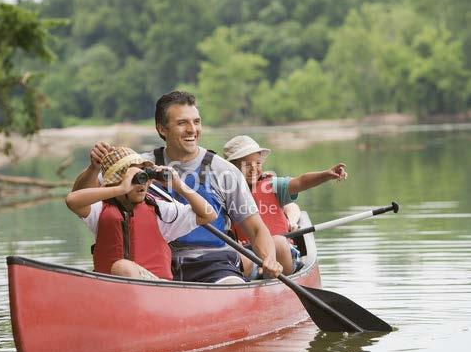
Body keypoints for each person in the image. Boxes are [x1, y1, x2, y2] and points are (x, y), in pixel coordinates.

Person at [71, 91, 282, 284]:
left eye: (196, 122)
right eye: (182, 123)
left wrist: (270, 259)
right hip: (158, 265)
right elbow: (80, 198)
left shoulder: (224, 171)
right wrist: (93, 168)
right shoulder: (140, 165)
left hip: (214, 264)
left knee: (232, 284)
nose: (192, 129)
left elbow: (256, 229)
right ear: (162, 129)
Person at [66, 146, 217, 281]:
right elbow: (72, 200)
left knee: (122, 267)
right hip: (112, 293)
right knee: (122, 268)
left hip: (158, 291)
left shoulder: (160, 210)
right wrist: (121, 188)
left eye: (145, 176)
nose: (143, 183)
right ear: (114, 182)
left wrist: (179, 185)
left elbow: (209, 214)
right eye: (136, 178)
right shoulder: (100, 211)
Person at [223, 135, 348, 278]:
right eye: (247, 165)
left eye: (257, 164)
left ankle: (270, 276)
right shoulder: (224, 193)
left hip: (283, 254)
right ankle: (252, 279)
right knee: (235, 254)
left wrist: (327, 175)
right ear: (231, 168)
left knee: (278, 243)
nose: (254, 169)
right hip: (248, 253)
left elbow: (300, 182)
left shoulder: (275, 186)